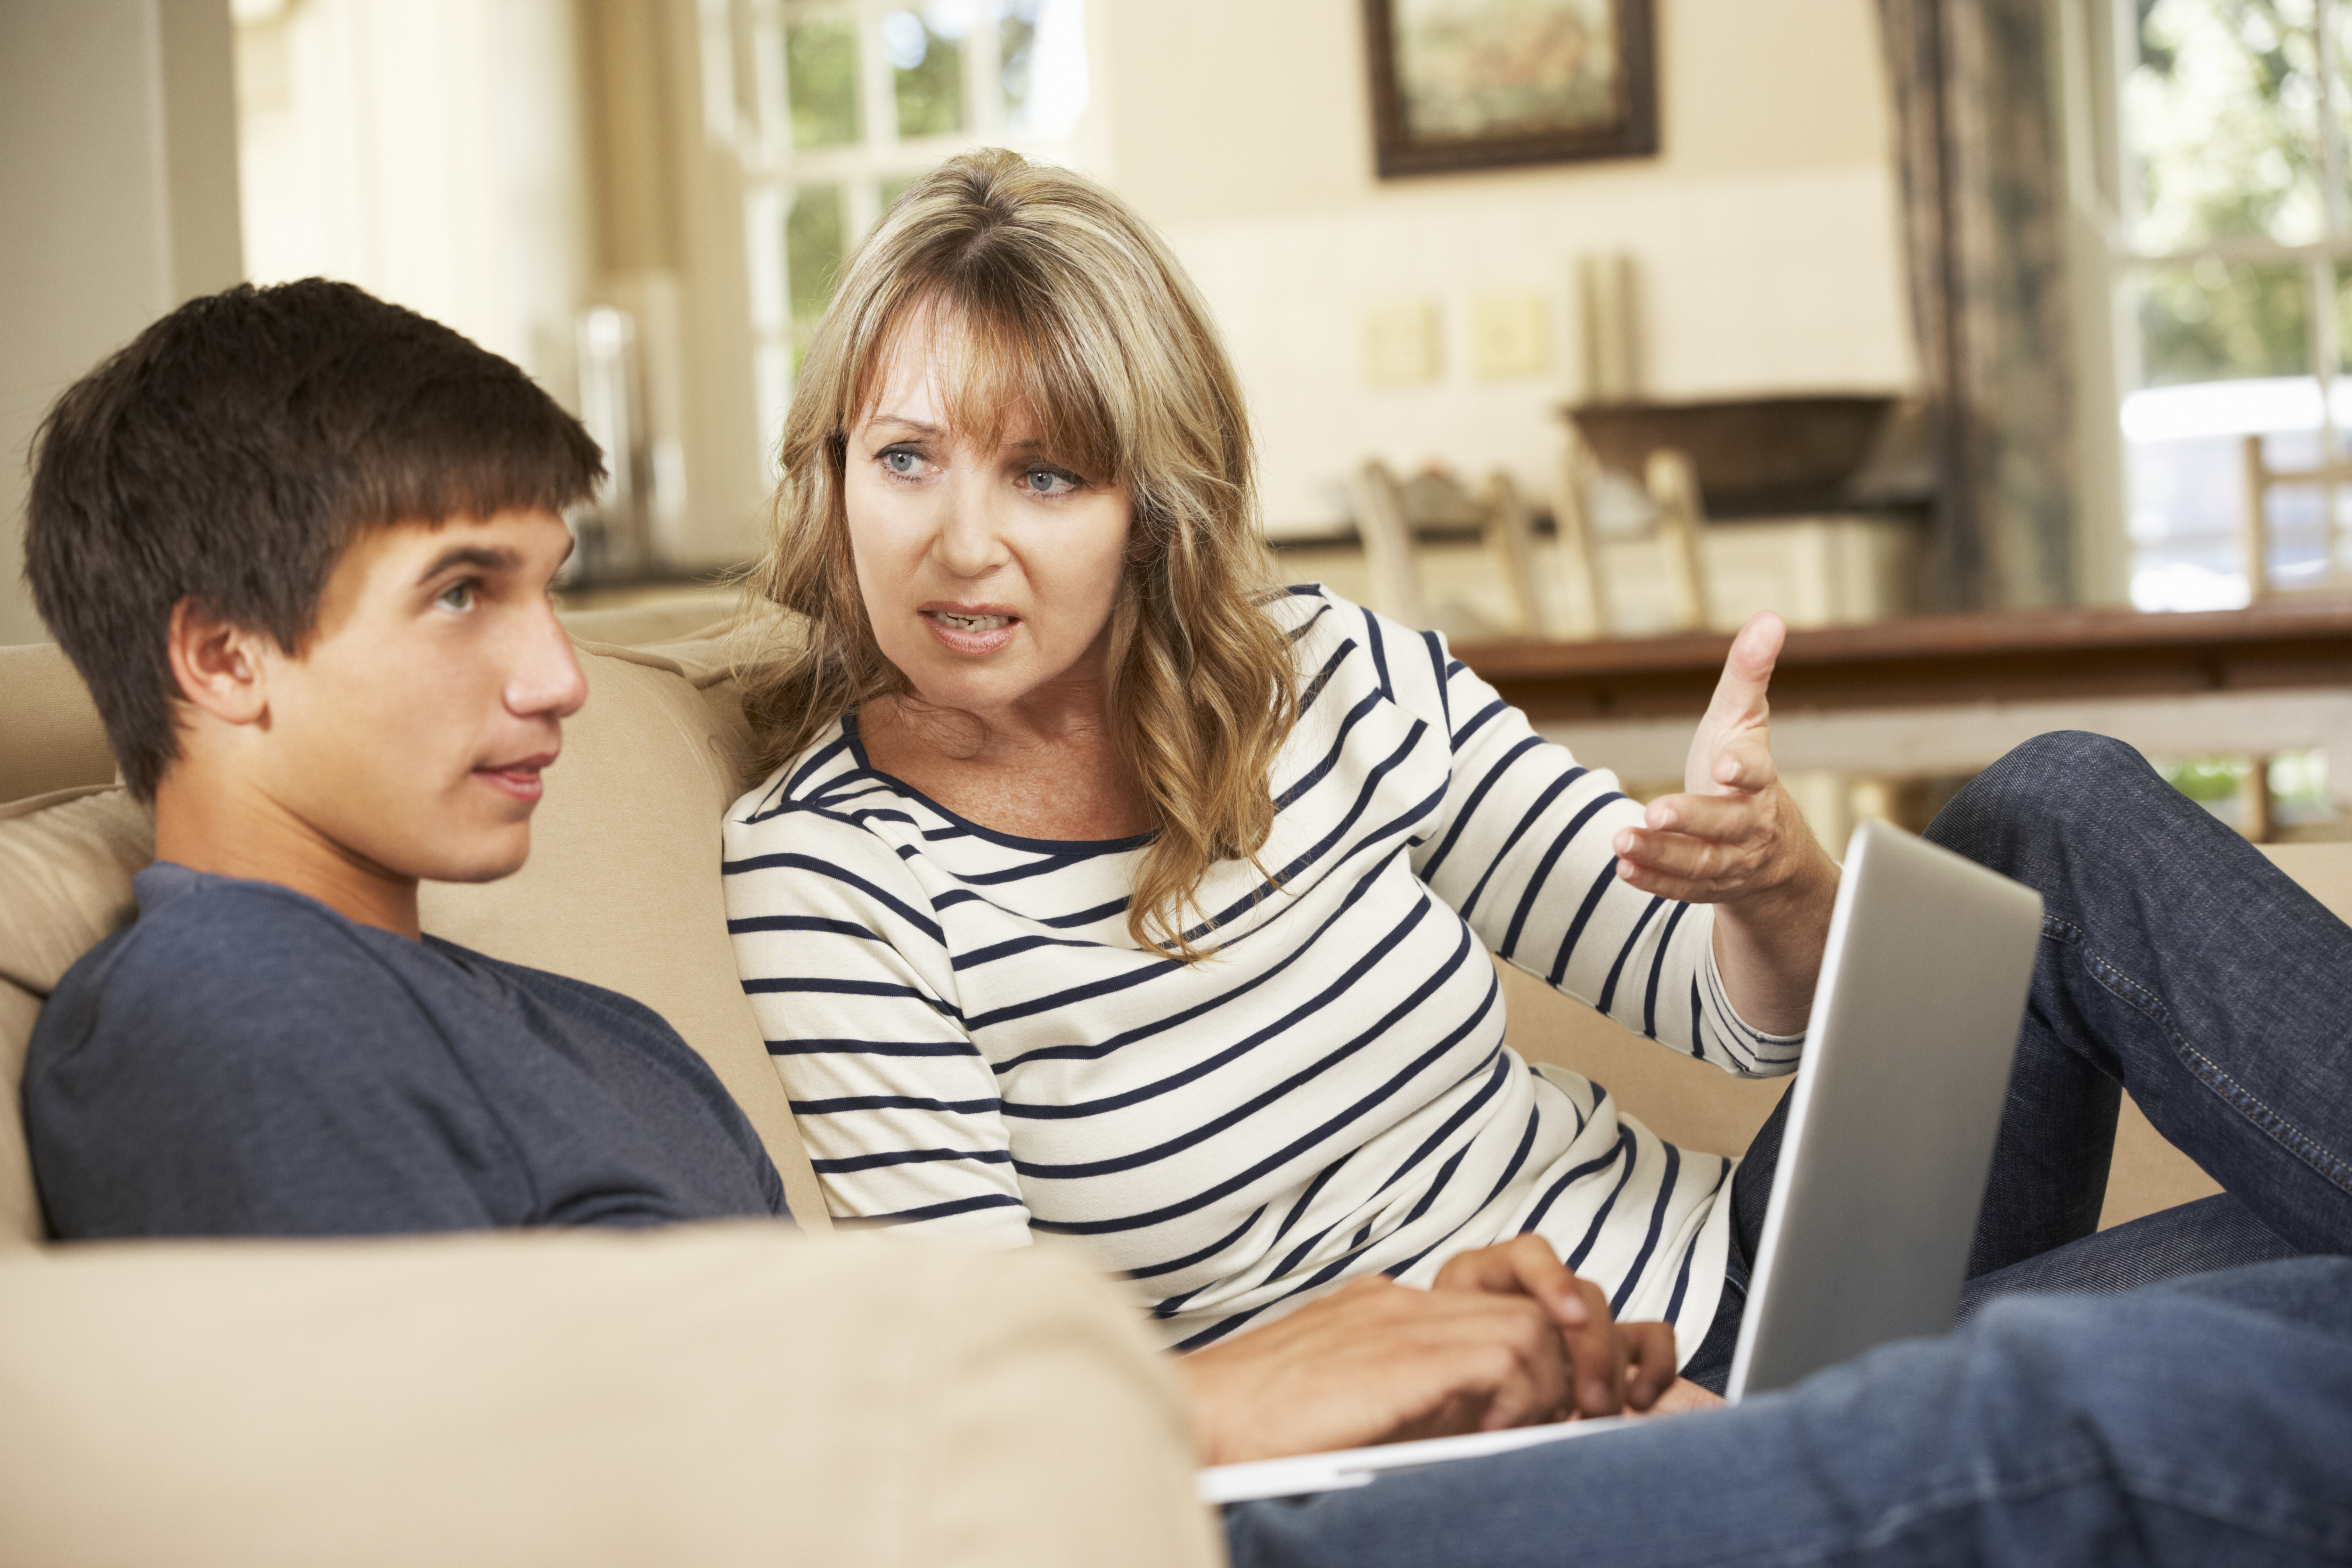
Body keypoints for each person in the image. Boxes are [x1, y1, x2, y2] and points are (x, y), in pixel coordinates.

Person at [721, 147, 2342, 1451]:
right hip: (1566, 1439)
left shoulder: (1326, 671)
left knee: (2054, 796)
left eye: (1046, 473)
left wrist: (1766, 882)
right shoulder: (834, 873)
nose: (958, 541)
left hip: (1763, 1270)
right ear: (833, 467)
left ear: (1154, 504)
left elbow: (1716, 1012)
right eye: (907, 456)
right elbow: (995, 1406)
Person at [21, 278, 792, 1238]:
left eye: (546, 590)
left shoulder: (620, 1037)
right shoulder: (224, 1006)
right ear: (225, 658)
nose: (560, 679)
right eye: (462, 593)